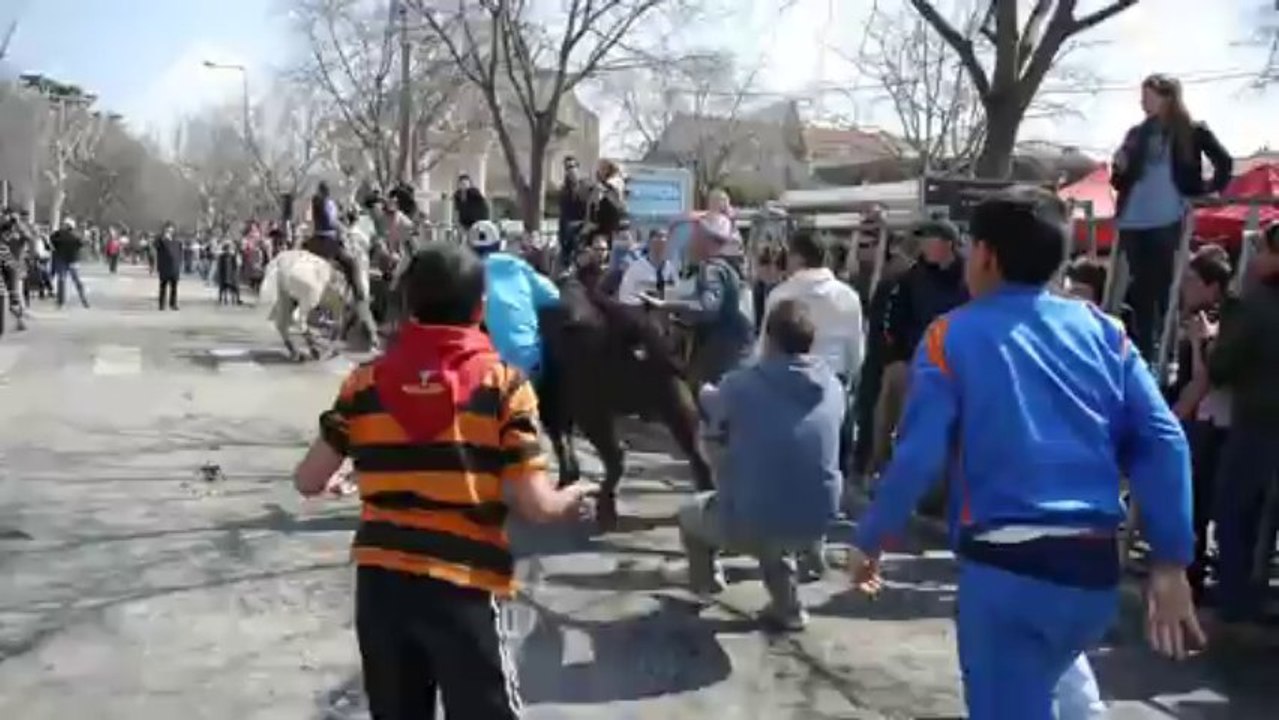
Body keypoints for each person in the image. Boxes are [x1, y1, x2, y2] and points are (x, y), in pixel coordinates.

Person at [846, 187, 1203, 720]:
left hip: (1006, 575)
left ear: (985, 256)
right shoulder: (1106, 334)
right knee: (1058, 685)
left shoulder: (951, 336)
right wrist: (1171, 563)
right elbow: (1164, 441)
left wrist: (873, 537)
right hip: (1092, 580)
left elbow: (918, 454)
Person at [292, 241, 594, 719]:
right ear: (480, 309)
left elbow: (308, 479)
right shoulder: (504, 386)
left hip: (380, 589)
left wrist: (363, 463)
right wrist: (572, 498)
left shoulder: (363, 384)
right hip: (464, 585)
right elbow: (534, 504)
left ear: (410, 306)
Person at [678, 298, 844, 631]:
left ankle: (705, 585)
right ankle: (788, 606)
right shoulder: (834, 387)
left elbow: (711, 421)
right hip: (819, 521)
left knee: (692, 515)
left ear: (768, 339)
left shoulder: (740, 384)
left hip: (756, 518)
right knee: (771, 502)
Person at [1111, 73, 1232, 361]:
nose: (1143, 102)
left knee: (1164, 286)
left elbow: (1224, 162)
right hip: (1133, 218)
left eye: (1148, 95)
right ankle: (1145, 352)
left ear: (1167, 97)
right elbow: (1120, 181)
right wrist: (1119, 167)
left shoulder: (1191, 131)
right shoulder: (1136, 134)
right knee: (1140, 290)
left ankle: (1168, 352)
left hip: (1167, 217)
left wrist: (1206, 190)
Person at [1206, 225, 1279, 641]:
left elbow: (1222, 368)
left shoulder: (1255, 306)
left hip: (1257, 423)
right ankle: (1254, 589)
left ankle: (1235, 600)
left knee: (1235, 508)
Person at [1163, 246, 1234, 603]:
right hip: (1198, 419)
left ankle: (1193, 575)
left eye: (1192, 281)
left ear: (1212, 287)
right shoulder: (1198, 318)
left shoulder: (1214, 322)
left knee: (1197, 500)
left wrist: (1175, 417)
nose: (1185, 287)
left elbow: (1203, 378)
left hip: (1205, 421)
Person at [871, 220, 968, 480]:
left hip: (959, 365)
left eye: (929, 240)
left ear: (947, 243)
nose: (923, 246)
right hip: (919, 360)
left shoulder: (969, 278)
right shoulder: (912, 278)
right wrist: (898, 356)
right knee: (894, 392)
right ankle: (881, 465)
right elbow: (895, 322)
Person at [641, 210, 754, 388]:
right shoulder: (731, 268)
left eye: (695, 236)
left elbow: (707, 307)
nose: (690, 241)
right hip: (735, 352)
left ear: (706, 241)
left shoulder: (712, 269)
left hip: (718, 356)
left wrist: (666, 305)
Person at [466, 220, 560, 380]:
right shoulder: (518, 267)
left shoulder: (467, 275)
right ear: (499, 245)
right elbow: (553, 296)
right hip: (528, 357)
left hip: (488, 364)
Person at [303, 181, 365, 302]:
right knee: (352, 263)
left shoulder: (311, 203)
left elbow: (308, 221)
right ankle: (359, 294)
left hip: (313, 241)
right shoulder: (328, 203)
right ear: (327, 192)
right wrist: (343, 227)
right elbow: (331, 222)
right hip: (328, 242)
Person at [616, 228, 677, 307]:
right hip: (641, 313)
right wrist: (647, 301)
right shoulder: (637, 267)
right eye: (658, 237)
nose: (663, 241)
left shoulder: (670, 268)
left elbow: (675, 293)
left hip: (664, 314)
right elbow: (624, 295)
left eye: (665, 238)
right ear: (650, 242)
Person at [49, 217, 89, 309]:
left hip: (62, 260)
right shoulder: (76, 235)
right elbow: (82, 243)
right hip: (72, 260)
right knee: (76, 280)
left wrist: (57, 248)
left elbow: (52, 240)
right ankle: (83, 299)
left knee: (62, 280)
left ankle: (61, 302)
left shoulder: (58, 234)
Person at [558, 155, 590, 267]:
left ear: (578, 168)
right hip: (569, 234)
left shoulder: (588, 187)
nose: (571, 170)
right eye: (567, 168)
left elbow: (591, 210)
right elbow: (563, 216)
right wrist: (562, 240)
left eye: (573, 166)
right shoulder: (564, 191)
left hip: (584, 232)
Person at [154, 223, 182, 311]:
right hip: (164, 268)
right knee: (163, 287)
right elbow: (155, 245)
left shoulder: (177, 241)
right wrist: (162, 237)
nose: (169, 232)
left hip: (174, 268)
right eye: (167, 230)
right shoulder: (161, 241)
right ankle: (161, 304)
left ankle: (173, 304)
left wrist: (179, 264)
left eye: (171, 230)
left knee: (174, 288)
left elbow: (180, 253)